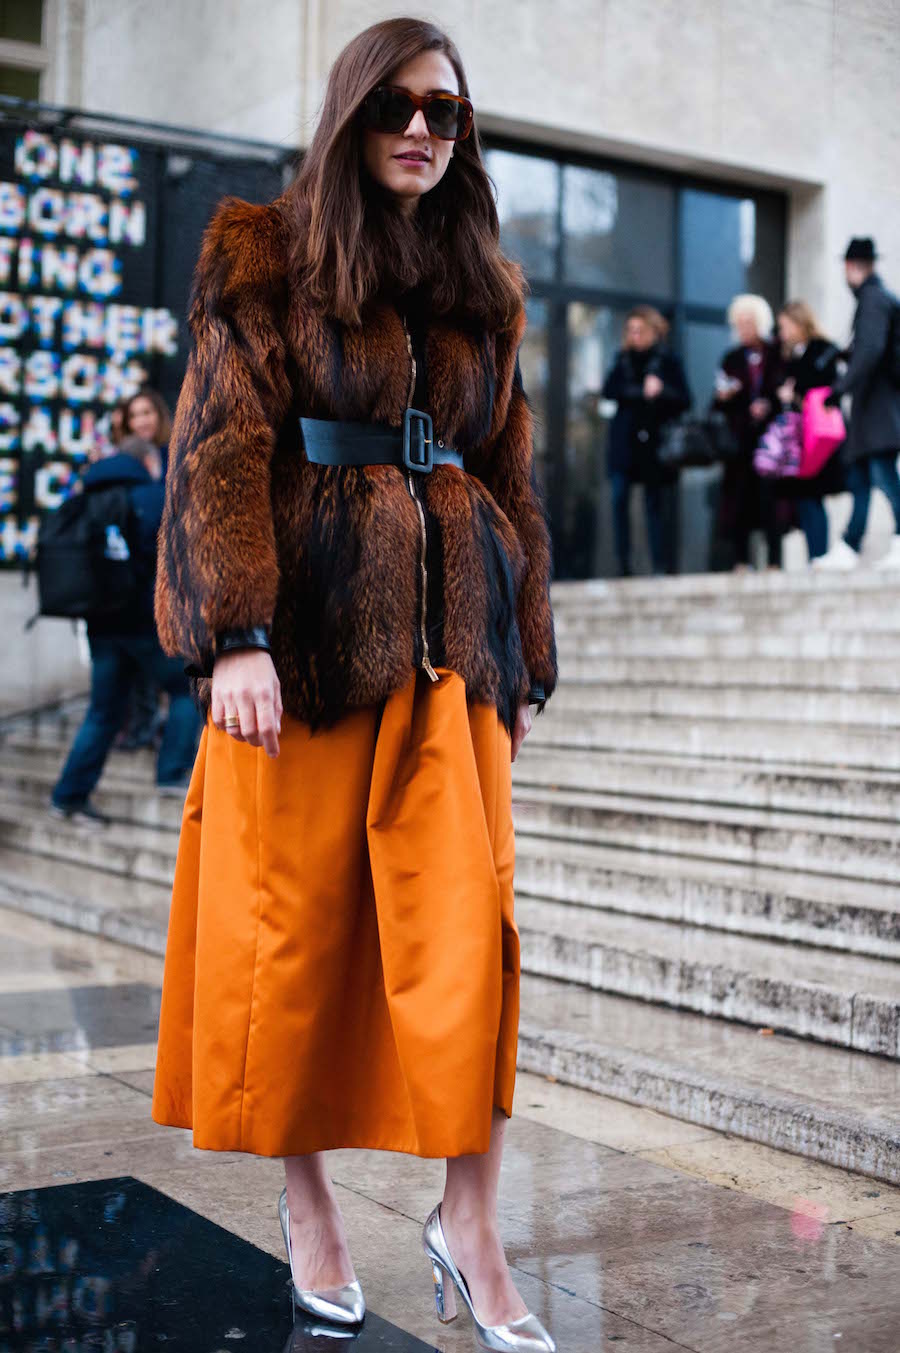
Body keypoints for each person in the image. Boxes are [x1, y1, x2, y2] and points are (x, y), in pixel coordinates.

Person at [150, 17, 557, 1351]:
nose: (423, 131)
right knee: (290, 945)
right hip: (304, 660)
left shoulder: (484, 285)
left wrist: (524, 643)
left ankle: (470, 1224)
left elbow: (510, 476)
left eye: (444, 110)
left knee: (469, 952)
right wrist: (237, 634)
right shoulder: (262, 253)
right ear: (348, 113)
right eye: (395, 106)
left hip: (452, 663)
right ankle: (310, 1207)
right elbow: (217, 447)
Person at [50, 437, 202, 825]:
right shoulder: (150, 495)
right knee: (186, 689)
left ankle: (69, 795)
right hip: (142, 621)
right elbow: (172, 557)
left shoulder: (86, 497)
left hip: (99, 625)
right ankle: (171, 773)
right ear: (149, 463)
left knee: (102, 712)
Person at [814, 238, 900, 571]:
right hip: (873, 409)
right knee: (861, 478)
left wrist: (839, 388)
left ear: (851, 267)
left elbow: (870, 350)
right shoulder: (878, 299)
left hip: (879, 408)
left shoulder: (873, 299)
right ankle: (850, 545)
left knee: (883, 475)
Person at [600, 306, 691, 576]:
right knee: (619, 500)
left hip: (654, 445)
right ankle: (624, 565)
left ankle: (659, 565)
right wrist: (641, 392)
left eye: (640, 330)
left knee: (655, 506)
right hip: (624, 444)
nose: (635, 336)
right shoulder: (621, 360)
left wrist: (661, 392)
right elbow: (608, 391)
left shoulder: (668, 361)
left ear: (653, 332)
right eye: (631, 330)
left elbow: (685, 399)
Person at [116, 388, 173, 748]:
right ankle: (140, 724)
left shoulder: (172, 456)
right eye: (134, 415)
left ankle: (156, 725)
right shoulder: (120, 461)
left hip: (166, 571)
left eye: (147, 412)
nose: (142, 421)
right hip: (129, 578)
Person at [713, 294, 782, 569]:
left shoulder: (775, 354)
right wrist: (727, 397)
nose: (743, 329)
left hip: (771, 441)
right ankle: (741, 561)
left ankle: (774, 562)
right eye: (739, 324)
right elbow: (716, 402)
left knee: (771, 500)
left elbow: (784, 390)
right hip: (739, 442)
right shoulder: (731, 359)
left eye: (748, 323)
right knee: (738, 501)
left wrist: (770, 404)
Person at [774, 301, 843, 564]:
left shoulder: (822, 350)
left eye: (785, 326)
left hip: (817, 434)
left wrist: (796, 390)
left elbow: (827, 384)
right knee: (804, 497)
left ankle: (820, 556)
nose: (783, 333)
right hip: (798, 437)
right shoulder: (789, 355)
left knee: (813, 494)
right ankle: (815, 557)